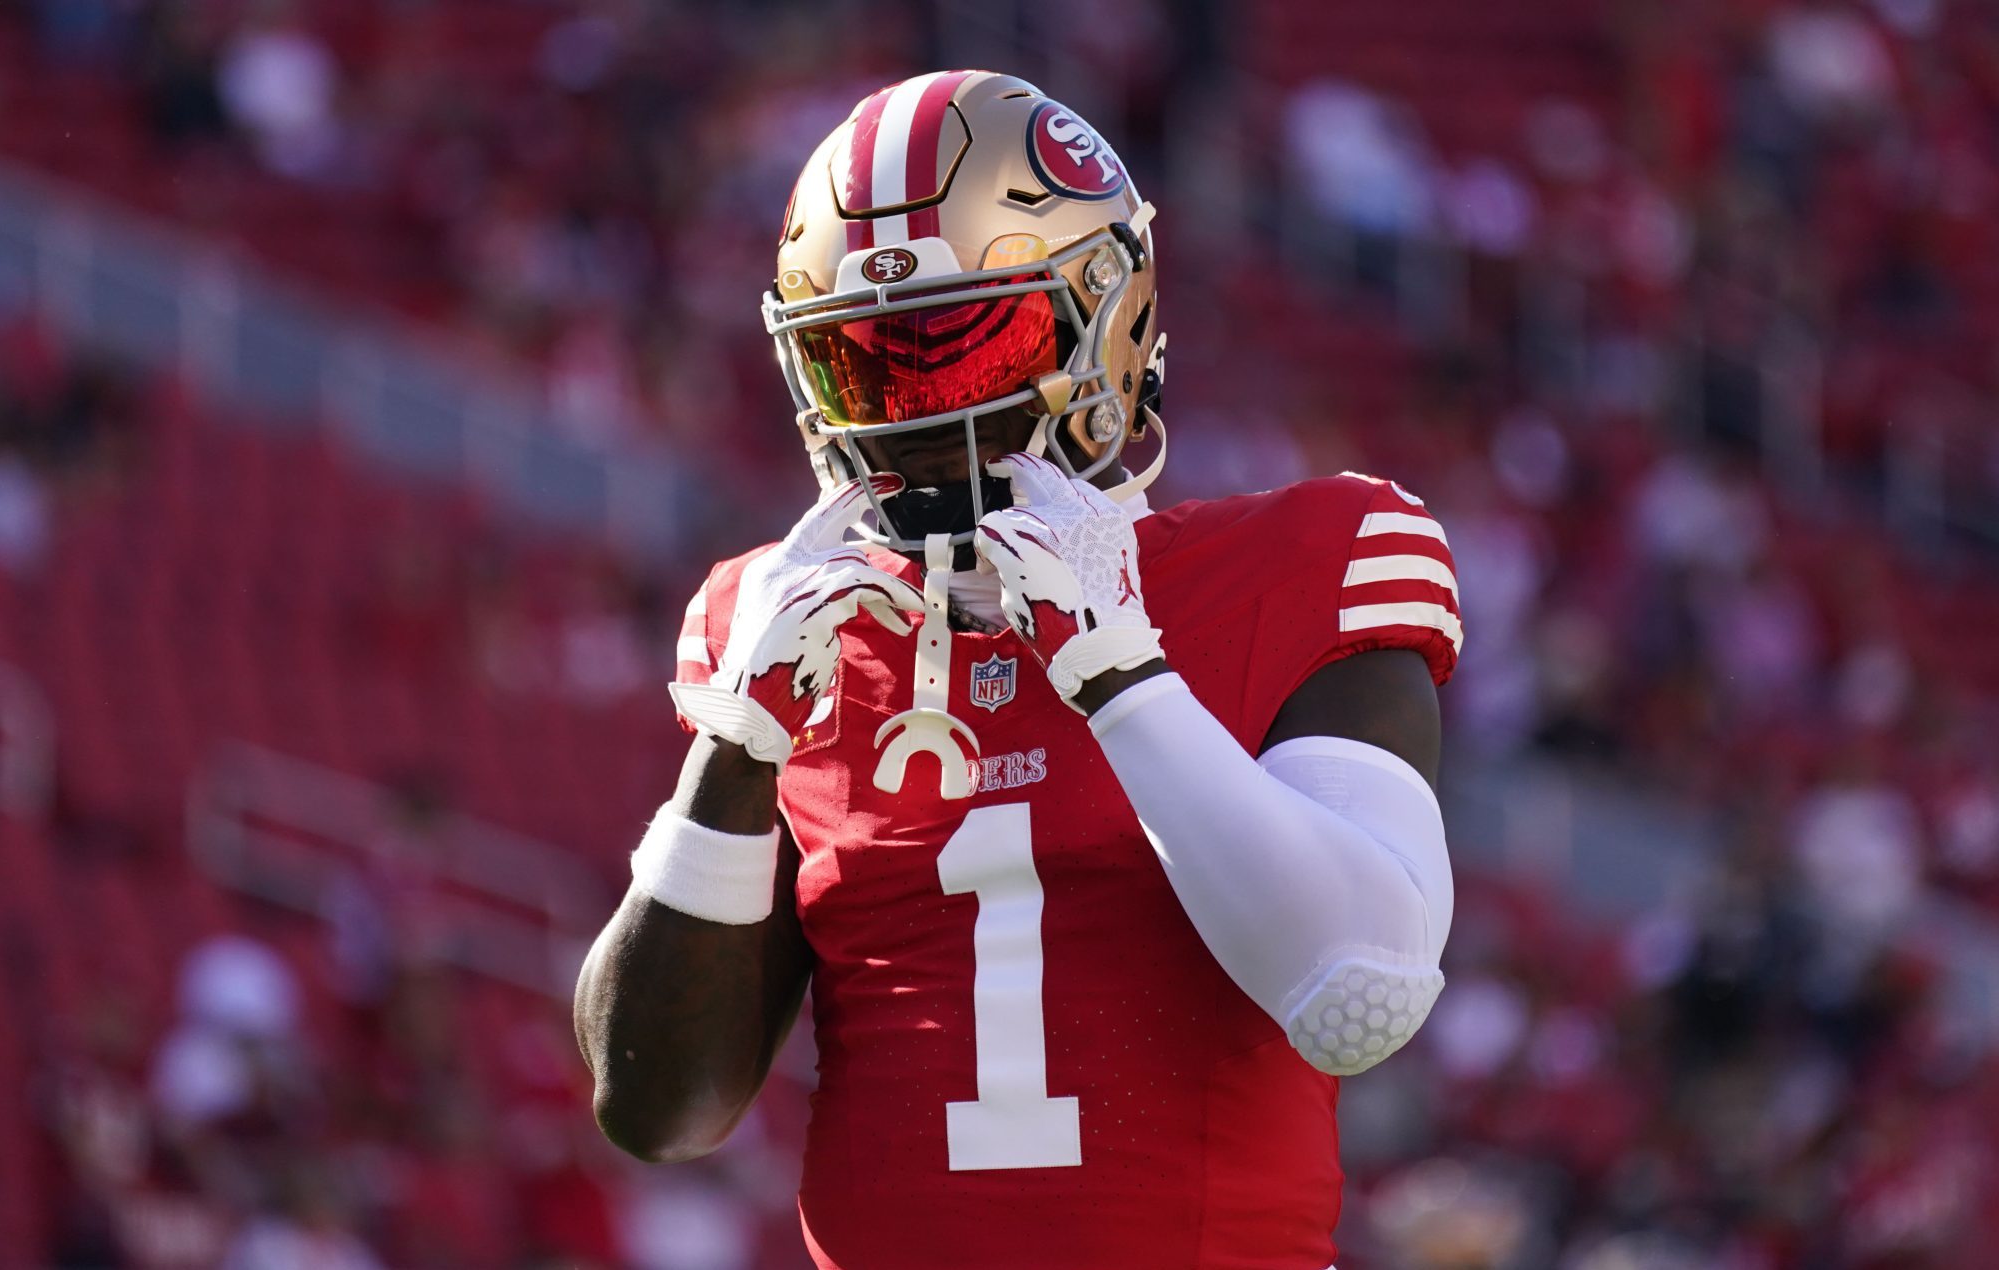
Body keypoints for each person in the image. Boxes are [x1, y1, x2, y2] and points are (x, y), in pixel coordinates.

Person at [574, 70, 1462, 1270]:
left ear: (1109, 316)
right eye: (865, 371)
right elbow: (657, 1108)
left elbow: (1360, 991)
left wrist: (1122, 678)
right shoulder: (783, 624)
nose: (915, 420)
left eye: (959, 350)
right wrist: (734, 749)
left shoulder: (1303, 559)